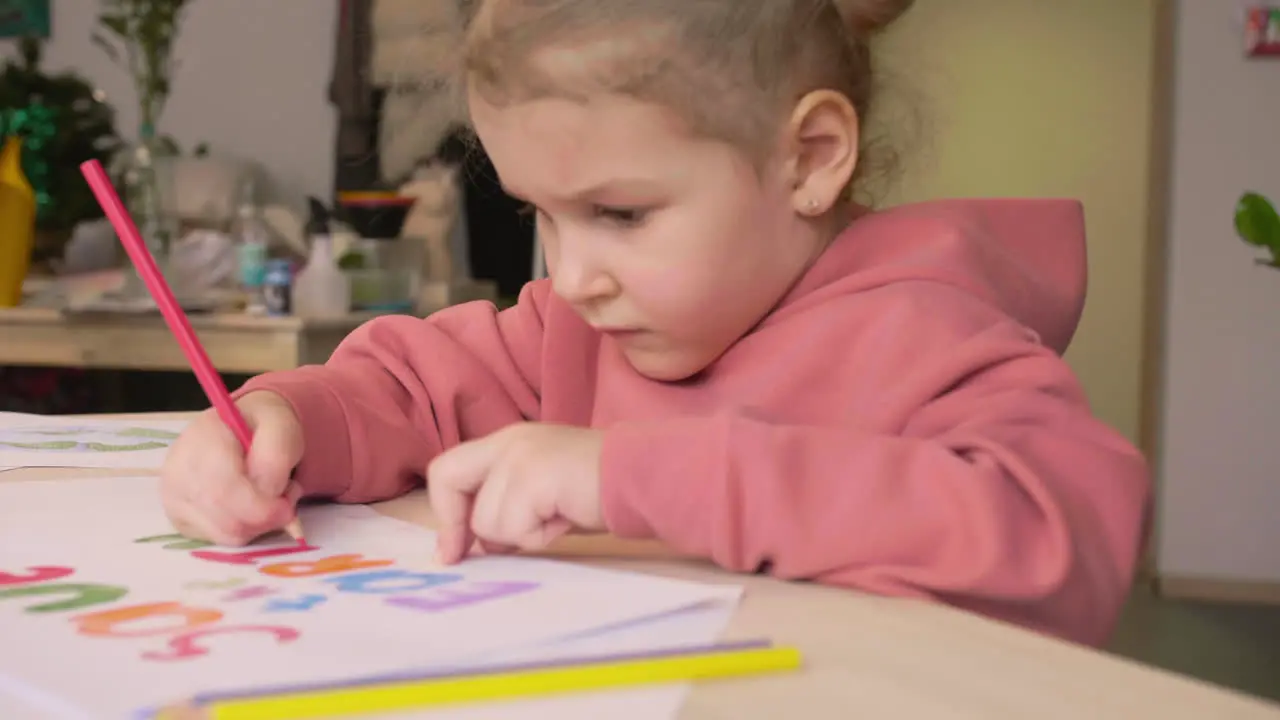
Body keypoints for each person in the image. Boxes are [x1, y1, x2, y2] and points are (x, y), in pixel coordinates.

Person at [161, 0, 1151, 648]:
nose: (570, 273)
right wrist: (285, 421)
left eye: (618, 214)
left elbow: (1055, 539)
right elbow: (411, 387)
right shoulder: (586, 322)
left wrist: (624, 476)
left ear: (806, 158)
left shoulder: (922, 332)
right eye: (537, 215)